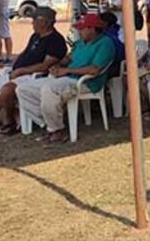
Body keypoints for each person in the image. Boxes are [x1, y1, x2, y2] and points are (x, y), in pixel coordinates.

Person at [15, 13, 116, 144]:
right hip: (66, 78)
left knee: (49, 89)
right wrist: (58, 65)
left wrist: (67, 70)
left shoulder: (105, 43)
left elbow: (94, 69)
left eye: (82, 28)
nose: (79, 31)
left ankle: (56, 130)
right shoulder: (80, 43)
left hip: (85, 82)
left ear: (92, 28)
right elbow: (69, 58)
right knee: (23, 89)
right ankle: (48, 124)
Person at [0, 7, 68, 134]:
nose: (32, 22)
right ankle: (15, 112)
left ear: (46, 22)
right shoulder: (35, 36)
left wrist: (22, 70)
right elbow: (26, 53)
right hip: (17, 72)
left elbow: (45, 66)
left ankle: (8, 121)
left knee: (6, 90)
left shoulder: (55, 40)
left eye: (35, 19)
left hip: (33, 76)